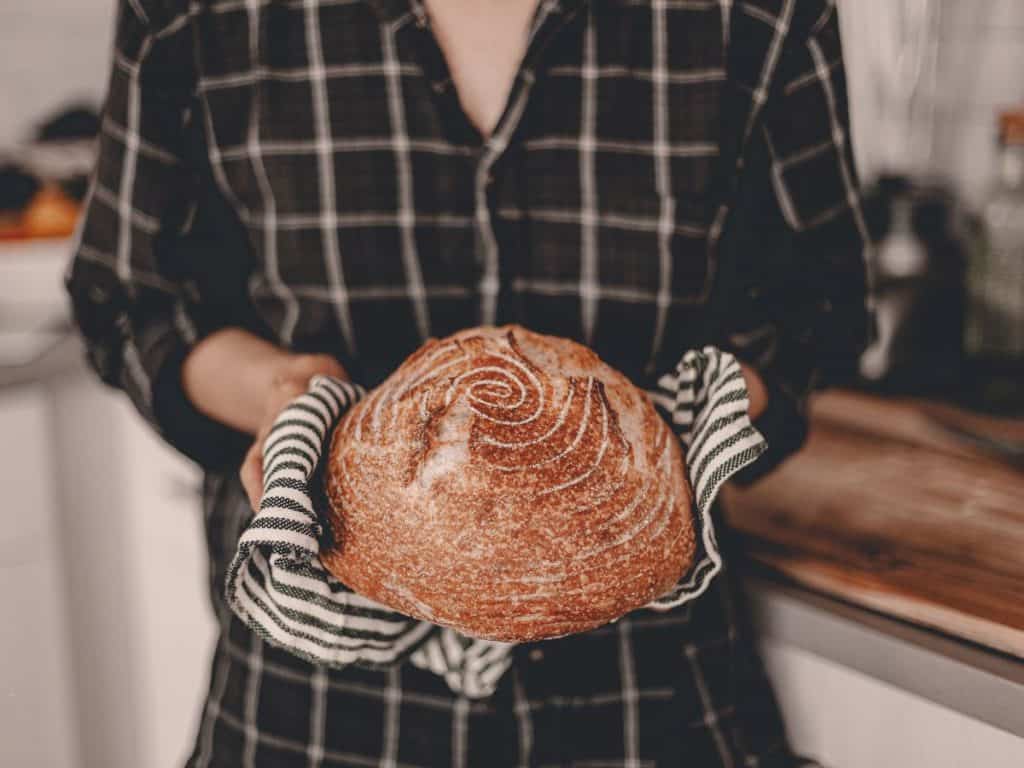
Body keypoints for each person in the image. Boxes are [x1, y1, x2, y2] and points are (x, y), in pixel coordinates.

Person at [66, 0, 871, 765]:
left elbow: (818, 311)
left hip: (650, 706)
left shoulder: (754, 15)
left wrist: (672, 441)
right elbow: (131, 299)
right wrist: (282, 392)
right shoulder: (196, 15)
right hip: (312, 716)